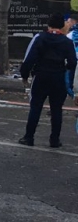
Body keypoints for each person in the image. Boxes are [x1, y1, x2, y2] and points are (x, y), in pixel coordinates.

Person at [18, 14, 77, 148]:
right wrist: (65, 69)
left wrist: (25, 75)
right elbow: (73, 62)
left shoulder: (40, 38)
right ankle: (54, 140)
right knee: (56, 109)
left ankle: (29, 137)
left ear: (48, 25)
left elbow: (29, 59)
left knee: (36, 107)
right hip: (58, 77)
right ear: (62, 26)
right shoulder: (67, 42)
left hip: (41, 75)